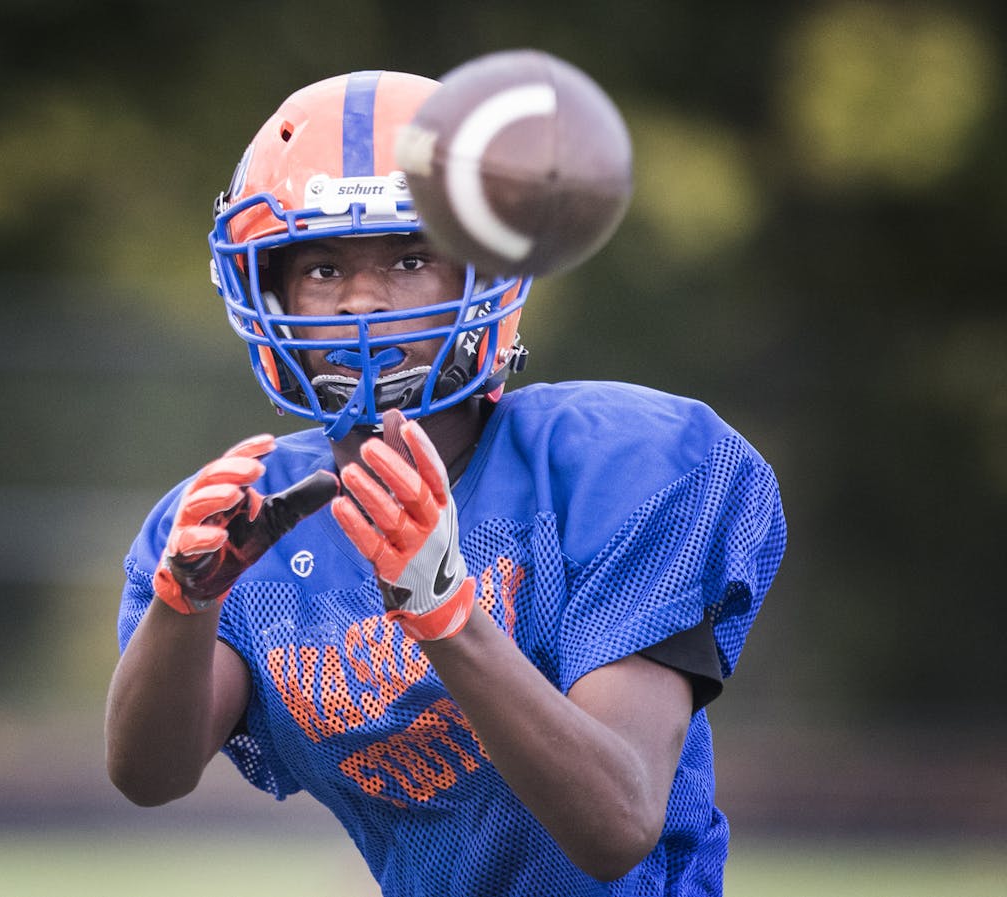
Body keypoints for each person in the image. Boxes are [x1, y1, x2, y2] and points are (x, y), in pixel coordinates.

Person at [105, 69, 787, 896]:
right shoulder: (256, 517)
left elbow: (616, 824)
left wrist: (449, 616)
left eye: (410, 257)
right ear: (267, 289)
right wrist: (187, 606)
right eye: (321, 268)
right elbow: (149, 773)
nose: (361, 301)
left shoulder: (619, 468)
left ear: (486, 274)